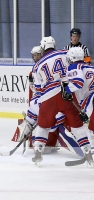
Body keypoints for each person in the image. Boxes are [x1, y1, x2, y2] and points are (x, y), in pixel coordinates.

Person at [29, 36, 93, 166]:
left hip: (48, 96)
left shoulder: (37, 66)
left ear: (42, 48)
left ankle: (38, 155)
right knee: (77, 126)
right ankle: (88, 155)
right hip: (66, 93)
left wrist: (42, 106)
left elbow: (38, 90)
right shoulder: (65, 52)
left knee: (43, 126)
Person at [64, 46, 94, 156]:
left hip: (91, 100)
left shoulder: (74, 66)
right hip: (91, 101)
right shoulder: (89, 67)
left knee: (91, 131)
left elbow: (78, 83)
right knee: (91, 129)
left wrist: (66, 89)